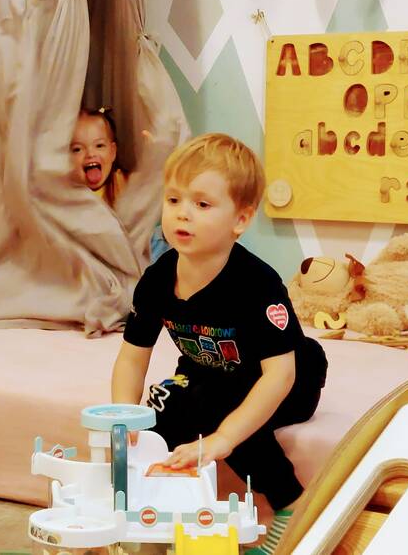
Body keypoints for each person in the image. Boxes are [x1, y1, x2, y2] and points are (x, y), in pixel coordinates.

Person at [111, 134, 327, 555]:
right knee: (164, 410)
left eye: (202, 204)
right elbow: (132, 359)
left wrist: (224, 438)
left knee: (221, 409)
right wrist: (124, 417)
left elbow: (279, 375)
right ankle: (160, 515)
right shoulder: (157, 280)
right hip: (209, 370)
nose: (182, 213)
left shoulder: (257, 284)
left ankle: (290, 503)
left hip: (288, 377)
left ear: (240, 220)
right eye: (173, 200)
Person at [70, 108, 128, 206]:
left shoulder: (123, 184)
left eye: (99, 145)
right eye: (78, 149)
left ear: (112, 152)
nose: (90, 154)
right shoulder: (64, 195)